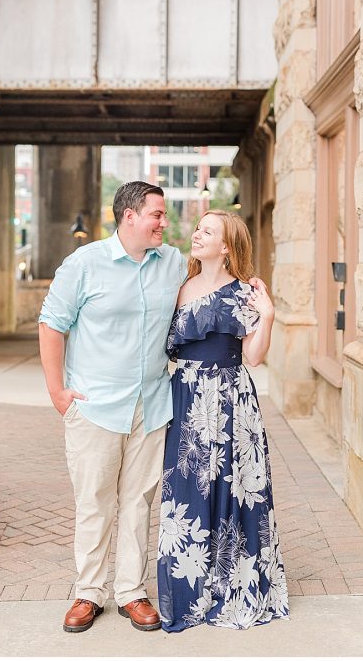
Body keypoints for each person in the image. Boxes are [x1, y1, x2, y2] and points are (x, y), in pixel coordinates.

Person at [39, 181, 187, 633]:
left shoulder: (175, 263)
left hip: (152, 402)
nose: (165, 222)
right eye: (157, 215)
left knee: (139, 502)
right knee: (95, 502)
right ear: (129, 216)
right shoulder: (85, 264)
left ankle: (131, 593)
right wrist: (57, 393)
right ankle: (89, 593)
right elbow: (51, 325)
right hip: (96, 405)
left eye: (164, 215)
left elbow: (207, 290)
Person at [156, 209, 289, 631]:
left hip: (231, 398)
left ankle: (233, 586)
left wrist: (267, 316)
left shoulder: (244, 293)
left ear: (226, 245)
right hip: (187, 398)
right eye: (198, 228)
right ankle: (189, 591)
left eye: (207, 231)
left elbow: (253, 356)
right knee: (187, 493)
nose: (197, 234)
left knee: (232, 489)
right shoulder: (181, 288)